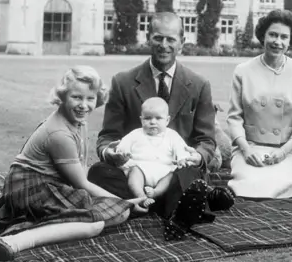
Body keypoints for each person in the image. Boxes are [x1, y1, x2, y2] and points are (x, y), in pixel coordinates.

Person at [0, 66, 148, 262]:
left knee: (116, 213)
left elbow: (82, 168)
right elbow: (82, 184)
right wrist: (124, 202)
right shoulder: (59, 134)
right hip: (29, 188)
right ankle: (13, 240)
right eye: (76, 97)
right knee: (96, 224)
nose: (84, 105)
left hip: (48, 185)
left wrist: (117, 204)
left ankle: (38, 224)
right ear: (62, 96)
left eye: (90, 98)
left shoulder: (78, 122)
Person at [88, 12, 235, 240]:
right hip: (134, 170)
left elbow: (206, 140)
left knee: (191, 173)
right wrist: (111, 153)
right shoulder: (123, 82)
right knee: (98, 172)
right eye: (158, 38)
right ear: (148, 38)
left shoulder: (199, 85)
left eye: (171, 39)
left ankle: (145, 205)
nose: (164, 45)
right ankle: (186, 205)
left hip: (176, 171)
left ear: (182, 43)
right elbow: (107, 137)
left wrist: (197, 156)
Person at [226, 9, 292, 198]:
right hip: (249, 147)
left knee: (278, 185)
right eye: (273, 35)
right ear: (263, 36)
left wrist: (283, 152)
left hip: (284, 150)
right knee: (249, 184)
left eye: (284, 37)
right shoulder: (242, 71)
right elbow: (234, 118)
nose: (278, 42)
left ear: (290, 40)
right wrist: (246, 149)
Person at [116, 97, 192, 208]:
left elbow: (181, 148)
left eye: (158, 118)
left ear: (167, 120)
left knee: (171, 176)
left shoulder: (172, 135)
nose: (153, 122)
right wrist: (123, 152)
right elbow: (123, 145)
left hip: (163, 170)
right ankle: (141, 197)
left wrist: (182, 158)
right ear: (141, 119)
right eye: (147, 118)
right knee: (134, 174)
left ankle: (156, 192)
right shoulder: (135, 134)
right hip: (141, 168)